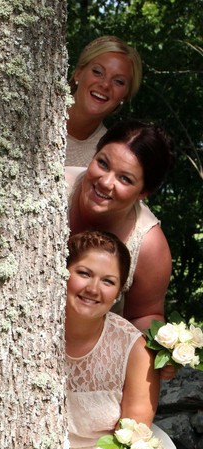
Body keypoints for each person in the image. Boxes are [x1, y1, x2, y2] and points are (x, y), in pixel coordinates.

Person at [65, 230, 192, 449]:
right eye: (84, 273)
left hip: (112, 448)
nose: (94, 288)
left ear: (120, 291)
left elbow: (136, 423)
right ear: (63, 272)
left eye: (108, 281)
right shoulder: (32, 331)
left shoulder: (132, 346)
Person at [66, 119, 174, 337]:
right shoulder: (50, 186)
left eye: (125, 178)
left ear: (143, 193)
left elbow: (144, 316)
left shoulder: (150, 246)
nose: (105, 182)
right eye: (103, 163)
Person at [66, 36, 142, 168]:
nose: (105, 85)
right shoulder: (37, 112)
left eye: (118, 81)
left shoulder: (108, 154)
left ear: (125, 96)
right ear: (78, 73)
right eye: (98, 72)